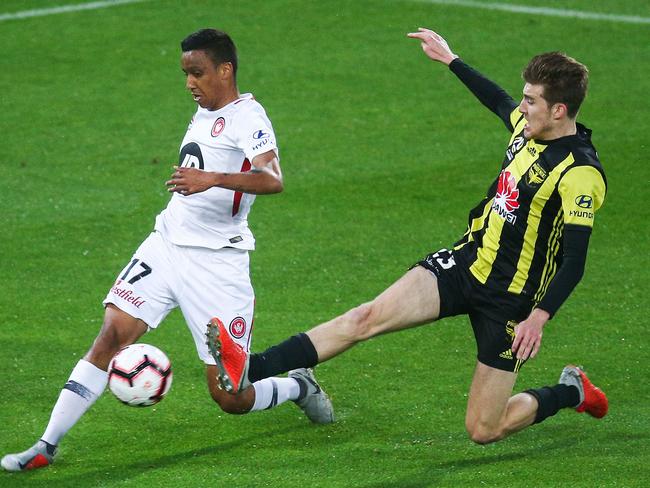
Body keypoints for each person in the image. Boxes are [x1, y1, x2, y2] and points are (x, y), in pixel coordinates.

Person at [206, 27, 609, 444]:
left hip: (511, 300)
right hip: (466, 264)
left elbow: (575, 260)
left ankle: (570, 390)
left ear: (559, 110)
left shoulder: (580, 174)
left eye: (531, 101)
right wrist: (451, 59)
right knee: (366, 317)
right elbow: (498, 100)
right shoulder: (527, 128)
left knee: (485, 429)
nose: (522, 107)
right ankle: (250, 366)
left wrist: (539, 317)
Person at [2, 28, 333, 473]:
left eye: (197, 73)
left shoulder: (248, 118)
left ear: (225, 69)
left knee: (231, 396)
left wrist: (212, 178)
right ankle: (47, 444)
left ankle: (297, 386)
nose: (190, 83)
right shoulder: (203, 111)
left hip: (217, 264)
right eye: (185, 74)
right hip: (166, 246)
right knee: (110, 337)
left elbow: (273, 179)